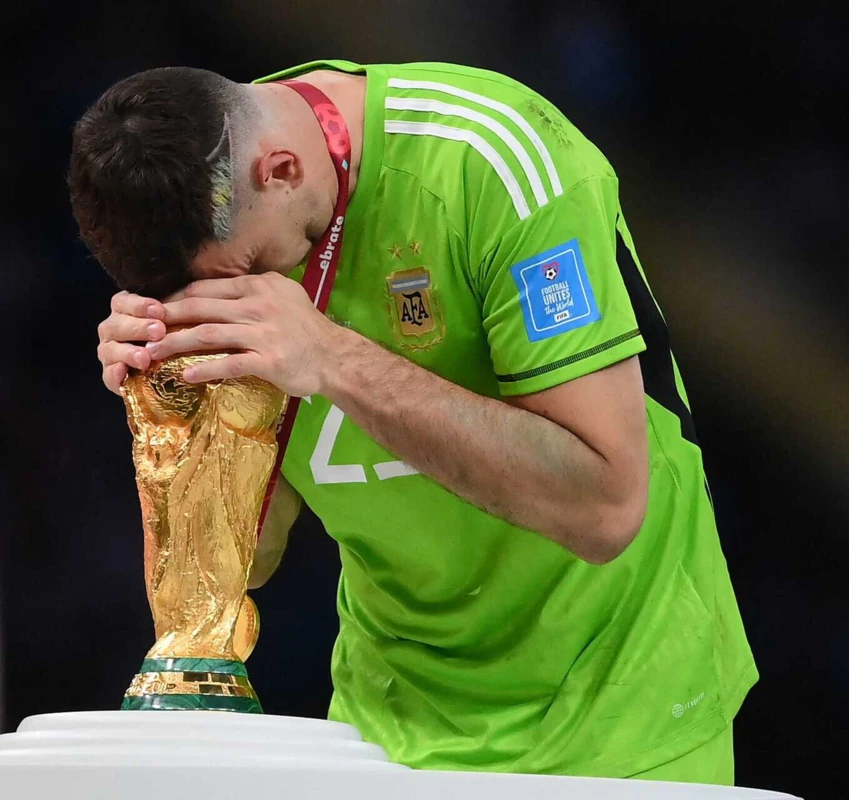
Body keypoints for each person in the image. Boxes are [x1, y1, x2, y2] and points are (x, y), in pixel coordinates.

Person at [70, 59, 756, 783]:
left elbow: (606, 507)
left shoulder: (497, 163)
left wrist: (331, 357)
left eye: (243, 270)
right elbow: (252, 561)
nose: (239, 299)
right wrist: (171, 412)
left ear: (280, 170)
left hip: (621, 723)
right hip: (388, 740)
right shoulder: (229, 216)